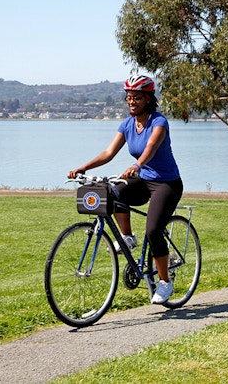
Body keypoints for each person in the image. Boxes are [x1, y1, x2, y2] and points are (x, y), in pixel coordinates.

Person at [68, 74, 183, 304]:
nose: (132, 102)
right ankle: (128, 237)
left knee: (153, 231)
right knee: (113, 192)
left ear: (148, 99)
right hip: (143, 180)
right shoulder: (127, 125)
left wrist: (137, 165)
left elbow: (151, 147)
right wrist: (83, 167)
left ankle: (164, 282)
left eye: (137, 98)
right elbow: (109, 153)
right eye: (129, 97)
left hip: (166, 184)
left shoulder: (159, 122)